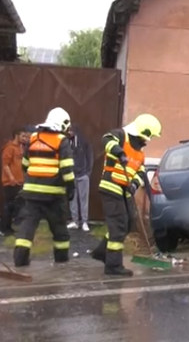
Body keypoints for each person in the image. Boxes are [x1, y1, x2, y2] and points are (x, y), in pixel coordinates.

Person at [91, 113, 162, 277]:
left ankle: (102, 252)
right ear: (142, 132)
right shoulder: (121, 136)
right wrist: (118, 152)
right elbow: (106, 139)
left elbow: (140, 171)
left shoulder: (140, 153)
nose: (148, 140)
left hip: (124, 190)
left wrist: (135, 183)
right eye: (149, 136)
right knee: (118, 225)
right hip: (111, 187)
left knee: (129, 222)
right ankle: (113, 266)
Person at [13, 108, 76, 267]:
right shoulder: (61, 141)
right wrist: (71, 189)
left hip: (31, 194)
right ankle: (61, 262)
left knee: (27, 228)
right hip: (54, 196)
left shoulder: (34, 138)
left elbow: (25, 165)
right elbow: (67, 170)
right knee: (60, 230)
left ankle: (20, 260)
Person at [0, 127, 27, 236]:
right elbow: (5, 164)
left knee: (15, 206)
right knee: (8, 205)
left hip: (19, 181)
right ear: (16, 136)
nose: (25, 138)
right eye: (22, 136)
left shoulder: (21, 148)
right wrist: (11, 178)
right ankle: (3, 228)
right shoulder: (9, 148)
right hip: (10, 182)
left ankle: (9, 227)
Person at [67, 125, 94, 232]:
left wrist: (88, 172)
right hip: (71, 175)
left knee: (84, 200)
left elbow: (90, 156)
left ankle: (84, 222)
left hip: (82, 175)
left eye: (70, 130)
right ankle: (75, 221)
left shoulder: (84, 142)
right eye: (68, 130)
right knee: (72, 200)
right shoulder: (67, 143)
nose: (69, 132)